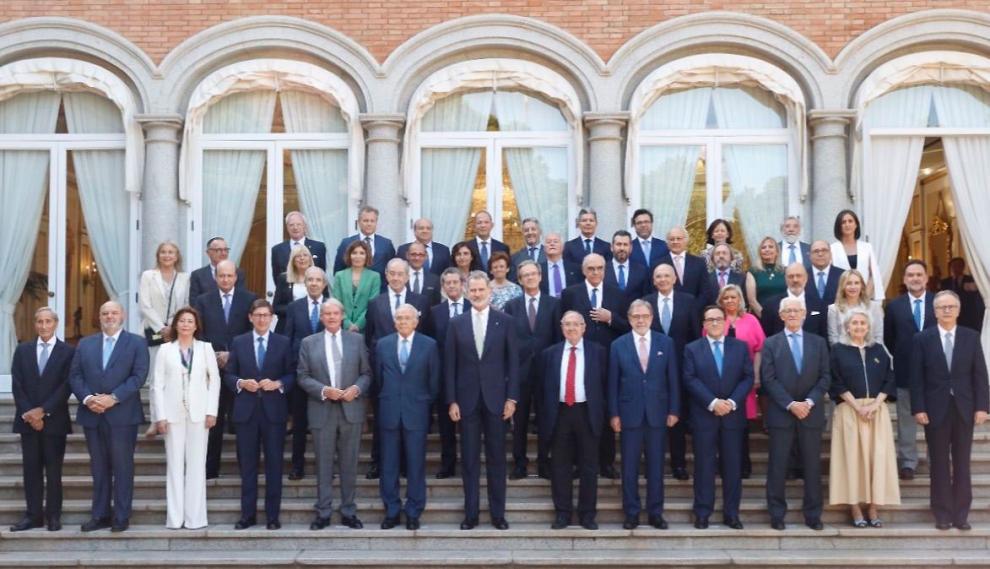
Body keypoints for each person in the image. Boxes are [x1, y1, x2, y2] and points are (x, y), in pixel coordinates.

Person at [445, 271, 519, 530]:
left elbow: (514, 363)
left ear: (490, 292)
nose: (477, 294)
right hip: (466, 402)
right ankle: (471, 514)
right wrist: (452, 400)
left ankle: (498, 514)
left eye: (481, 290)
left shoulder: (506, 321)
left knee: (498, 459)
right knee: (469, 460)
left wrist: (512, 398)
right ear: (467, 292)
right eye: (473, 290)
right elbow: (450, 366)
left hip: (497, 401)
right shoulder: (456, 323)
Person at [911, 290, 989, 531]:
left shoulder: (971, 337)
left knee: (962, 462)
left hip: (965, 409)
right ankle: (942, 513)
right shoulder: (922, 339)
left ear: (958, 310)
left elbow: (980, 375)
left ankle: (961, 514)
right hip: (935, 410)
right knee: (939, 463)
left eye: (951, 307)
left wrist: (982, 407)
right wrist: (919, 407)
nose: (946, 310)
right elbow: (917, 378)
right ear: (934, 312)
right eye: (942, 307)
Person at [69, 301, 149, 533]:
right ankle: (100, 515)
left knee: (123, 467)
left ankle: (121, 516)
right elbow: (75, 376)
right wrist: (88, 399)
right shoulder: (85, 344)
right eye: (105, 313)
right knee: (98, 467)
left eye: (114, 312)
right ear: (99, 317)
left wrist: (113, 398)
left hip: (123, 415)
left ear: (122, 315)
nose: (109, 316)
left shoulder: (136, 342)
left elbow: (139, 376)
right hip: (92, 414)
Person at [297, 299, 372, 530]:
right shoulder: (309, 343)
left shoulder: (356, 340)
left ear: (342, 316)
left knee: (350, 463)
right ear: (321, 317)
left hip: (351, 409)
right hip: (322, 409)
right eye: (326, 314)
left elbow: (367, 373)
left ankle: (349, 511)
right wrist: (323, 390)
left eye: (335, 313)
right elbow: (302, 376)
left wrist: (356, 389)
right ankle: (324, 512)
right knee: (323, 464)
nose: (331, 317)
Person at [608, 299, 679, 530]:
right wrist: (614, 414)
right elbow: (612, 383)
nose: (640, 320)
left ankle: (655, 513)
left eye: (644, 316)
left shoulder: (666, 343)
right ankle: (631, 513)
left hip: (658, 414)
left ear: (651, 318)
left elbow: (673, 380)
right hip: (629, 414)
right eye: (635, 316)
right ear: (629, 319)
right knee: (629, 467)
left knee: (656, 467)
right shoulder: (618, 345)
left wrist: (674, 409)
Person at [224, 299, 295, 530]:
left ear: (272, 317)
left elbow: (293, 375)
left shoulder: (283, 342)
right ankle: (248, 515)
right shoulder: (239, 342)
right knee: (247, 467)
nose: (262, 319)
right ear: (250, 317)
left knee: (274, 466)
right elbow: (228, 375)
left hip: (274, 413)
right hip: (246, 413)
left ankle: (272, 517)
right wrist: (241, 383)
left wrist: (278, 384)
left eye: (266, 315)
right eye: (258, 315)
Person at [761, 297, 831, 531]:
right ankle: (776, 514)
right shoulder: (771, 344)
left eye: (796, 310)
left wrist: (809, 402)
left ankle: (813, 514)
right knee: (778, 466)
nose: (792, 314)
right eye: (787, 311)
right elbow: (768, 380)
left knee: (812, 466)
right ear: (781, 316)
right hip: (782, 414)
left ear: (804, 313)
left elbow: (825, 377)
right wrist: (791, 404)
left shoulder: (818, 343)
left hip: (810, 413)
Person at [683, 305, 754, 530]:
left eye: (718, 319)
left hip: (733, 417)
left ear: (725, 322)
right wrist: (713, 403)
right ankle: (703, 512)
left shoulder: (740, 348)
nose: (714, 323)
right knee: (704, 466)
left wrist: (731, 403)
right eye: (709, 320)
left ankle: (731, 514)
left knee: (732, 467)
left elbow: (747, 378)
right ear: (703, 324)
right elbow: (690, 379)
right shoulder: (692, 349)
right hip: (705, 415)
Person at [561, 253, 631, 478]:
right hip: (578, 360)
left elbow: (628, 327)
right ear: (583, 270)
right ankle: (576, 463)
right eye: (591, 268)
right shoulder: (570, 293)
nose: (595, 272)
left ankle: (606, 462)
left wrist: (610, 318)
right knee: (578, 413)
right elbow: (561, 326)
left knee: (604, 409)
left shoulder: (617, 294)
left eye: (600, 268)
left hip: (607, 360)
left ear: (605, 270)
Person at [828, 309, 900, 528]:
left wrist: (875, 405)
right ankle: (855, 507)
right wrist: (858, 406)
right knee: (852, 460)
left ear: (868, 327)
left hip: (876, 412)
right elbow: (836, 381)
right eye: (855, 323)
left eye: (863, 323)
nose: (859, 327)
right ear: (847, 327)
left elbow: (889, 379)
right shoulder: (838, 351)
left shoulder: (878, 350)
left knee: (875, 459)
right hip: (850, 411)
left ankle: (873, 506)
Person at [151, 306, 221, 530]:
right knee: (174, 466)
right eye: (181, 321)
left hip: (199, 414)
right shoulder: (165, 350)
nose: (185, 325)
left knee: (197, 466)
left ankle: (195, 518)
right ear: (175, 325)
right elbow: (156, 385)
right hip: (172, 415)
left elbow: (215, 381)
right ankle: (175, 518)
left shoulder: (205, 348)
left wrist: (212, 411)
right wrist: (159, 416)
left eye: (190, 321)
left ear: (196, 325)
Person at [374, 304, 441, 530]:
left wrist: (422, 402)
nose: (402, 321)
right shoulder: (382, 345)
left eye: (407, 318)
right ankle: (392, 511)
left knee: (415, 464)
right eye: (399, 318)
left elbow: (434, 382)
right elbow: (378, 378)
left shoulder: (429, 345)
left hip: (417, 411)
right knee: (389, 465)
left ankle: (413, 511)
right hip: (389, 411)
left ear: (416, 321)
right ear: (394, 322)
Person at [364, 258, 431, 479]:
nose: (395, 277)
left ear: (407, 276)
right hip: (383, 373)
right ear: (386, 275)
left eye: (400, 274)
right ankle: (377, 462)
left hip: (412, 374)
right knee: (383, 420)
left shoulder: (420, 301)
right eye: (391, 273)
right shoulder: (375, 303)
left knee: (409, 422)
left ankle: (404, 464)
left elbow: (426, 336)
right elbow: (369, 337)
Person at [10, 307, 73, 532]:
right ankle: (33, 516)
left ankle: (53, 516)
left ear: (55, 323)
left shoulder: (67, 352)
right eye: (39, 321)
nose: (43, 326)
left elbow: (66, 385)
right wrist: (30, 413)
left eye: (48, 321)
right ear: (35, 324)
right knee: (31, 470)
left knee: (54, 471)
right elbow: (17, 384)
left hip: (54, 422)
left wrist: (44, 411)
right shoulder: (23, 350)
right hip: (28, 421)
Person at [540, 311, 605, 530]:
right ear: (561, 328)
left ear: (584, 327)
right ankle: (563, 513)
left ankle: (587, 514)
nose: (571, 328)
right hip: (560, 414)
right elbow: (542, 388)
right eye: (566, 324)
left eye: (575, 324)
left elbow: (605, 386)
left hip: (587, 412)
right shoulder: (550, 354)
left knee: (589, 467)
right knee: (560, 466)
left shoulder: (598, 352)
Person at [193, 259, 256, 480]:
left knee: (241, 421)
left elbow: (252, 332)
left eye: (229, 276)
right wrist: (214, 355)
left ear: (236, 277)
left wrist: (233, 355)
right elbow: (198, 333)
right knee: (214, 421)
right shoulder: (203, 301)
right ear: (215, 277)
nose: (226, 279)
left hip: (240, 370)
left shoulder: (249, 299)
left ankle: (245, 469)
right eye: (222, 276)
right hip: (211, 370)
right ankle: (211, 470)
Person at [504, 260, 561, 479]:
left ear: (540, 276)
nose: (529, 278)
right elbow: (509, 342)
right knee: (519, 421)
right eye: (524, 275)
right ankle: (519, 463)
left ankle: (544, 461)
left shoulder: (553, 304)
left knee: (546, 419)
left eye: (533, 274)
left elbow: (557, 339)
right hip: (520, 372)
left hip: (546, 371)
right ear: (519, 280)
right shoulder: (512, 306)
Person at [643, 263, 699, 481]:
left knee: (678, 418)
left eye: (667, 275)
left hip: (681, 368)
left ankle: (679, 464)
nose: (663, 279)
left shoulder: (689, 301)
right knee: (651, 418)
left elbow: (695, 336)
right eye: (659, 276)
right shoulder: (646, 302)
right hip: (652, 370)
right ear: (654, 280)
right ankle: (650, 464)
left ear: (674, 278)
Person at [883, 260, 935, 481]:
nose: (915, 278)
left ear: (926, 278)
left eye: (919, 274)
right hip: (905, 371)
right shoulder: (895, 305)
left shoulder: (938, 302)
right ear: (904, 279)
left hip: (935, 373)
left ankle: (937, 460)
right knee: (906, 419)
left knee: (936, 419)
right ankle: (908, 462)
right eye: (910, 275)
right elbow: (889, 338)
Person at [282, 266, 331, 480]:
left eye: (317, 280)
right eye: (310, 280)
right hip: (300, 374)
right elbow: (288, 338)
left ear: (324, 284)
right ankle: (297, 466)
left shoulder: (331, 307)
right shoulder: (295, 307)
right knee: (300, 424)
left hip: (326, 374)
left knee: (327, 426)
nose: (313, 283)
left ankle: (328, 469)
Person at [138, 241, 190, 438]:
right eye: (163, 252)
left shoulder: (185, 278)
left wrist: (173, 326)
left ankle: (175, 417)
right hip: (154, 331)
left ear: (177, 256)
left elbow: (186, 304)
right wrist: (162, 327)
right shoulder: (148, 276)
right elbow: (145, 305)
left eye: (171, 252)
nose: (167, 255)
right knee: (156, 377)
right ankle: (155, 420)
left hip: (177, 331)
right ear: (158, 255)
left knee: (177, 376)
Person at [716, 284, 765, 478]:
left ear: (740, 300)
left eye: (733, 297)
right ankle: (723, 465)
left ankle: (744, 465)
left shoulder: (751, 320)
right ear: (721, 301)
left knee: (741, 424)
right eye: (726, 298)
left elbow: (760, 348)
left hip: (744, 381)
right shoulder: (716, 320)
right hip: (719, 380)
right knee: (721, 423)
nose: (729, 301)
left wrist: (756, 373)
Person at [428, 269, 468, 478]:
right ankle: (448, 464)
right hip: (445, 376)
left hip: (471, 375)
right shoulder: (435, 312)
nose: (452, 286)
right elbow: (431, 345)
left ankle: (470, 464)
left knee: (469, 424)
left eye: (455, 282)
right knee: (446, 425)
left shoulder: (474, 307)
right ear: (443, 287)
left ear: (463, 284)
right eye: (448, 283)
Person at [761, 263, 827, 339]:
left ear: (806, 278)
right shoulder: (770, 305)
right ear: (785, 279)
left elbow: (823, 335)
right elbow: (768, 336)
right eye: (791, 276)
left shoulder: (819, 304)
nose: (795, 280)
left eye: (798, 276)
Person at [830, 209, 884, 301]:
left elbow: (873, 274)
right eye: (843, 222)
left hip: (865, 299)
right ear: (839, 226)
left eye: (850, 221)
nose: (847, 224)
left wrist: (864, 296)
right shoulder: (832, 248)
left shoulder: (867, 247)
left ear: (856, 225)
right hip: (841, 300)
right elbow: (831, 276)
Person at [333, 206, 396, 282]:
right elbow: (338, 271)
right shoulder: (346, 243)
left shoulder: (386, 244)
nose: (369, 224)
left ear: (376, 222)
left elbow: (392, 270)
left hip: (380, 291)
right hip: (354, 291)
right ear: (359, 222)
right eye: (365, 221)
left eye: (372, 221)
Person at [332, 239, 380, 333]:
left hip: (365, 329)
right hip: (342, 327)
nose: (358, 256)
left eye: (362, 253)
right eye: (354, 253)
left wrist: (358, 325)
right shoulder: (339, 276)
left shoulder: (374, 277)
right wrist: (347, 323)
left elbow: (372, 305)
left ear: (367, 256)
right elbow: (336, 302)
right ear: (349, 255)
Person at [827, 269, 884, 346]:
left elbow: (878, 336)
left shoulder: (875, 307)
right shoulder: (833, 309)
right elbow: (833, 339)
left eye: (856, 283)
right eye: (848, 283)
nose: (853, 287)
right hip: (844, 354)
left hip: (871, 352)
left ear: (862, 286)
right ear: (842, 286)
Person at [658, 226, 713, 303]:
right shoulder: (658, 264)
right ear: (667, 242)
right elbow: (654, 291)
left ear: (686, 241)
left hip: (695, 311)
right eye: (672, 239)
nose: (675, 241)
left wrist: (695, 309)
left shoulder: (699, 263)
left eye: (679, 238)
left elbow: (705, 291)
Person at [273, 245, 317, 333]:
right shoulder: (284, 279)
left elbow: (324, 301)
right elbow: (276, 307)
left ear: (310, 259)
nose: (302, 258)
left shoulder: (318, 277)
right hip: (287, 326)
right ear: (292, 260)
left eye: (305, 255)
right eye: (298, 256)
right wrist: (296, 310)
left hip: (312, 325)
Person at [270, 210, 327, 277]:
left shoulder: (318, 247)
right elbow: (277, 277)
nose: (295, 228)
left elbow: (322, 273)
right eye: (291, 225)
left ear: (305, 226)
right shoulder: (277, 250)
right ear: (287, 227)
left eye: (298, 224)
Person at [188, 237, 246, 301]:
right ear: (208, 252)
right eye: (219, 250)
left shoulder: (238, 272)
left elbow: (241, 297)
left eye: (226, 250)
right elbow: (194, 302)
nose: (224, 253)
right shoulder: (198, 275)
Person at [746, 236, 786, 320]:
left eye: (771, 247)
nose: (767, 249)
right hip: (761, 318)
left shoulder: (785, 271)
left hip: (783, 317)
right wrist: (765, 318)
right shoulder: (753, 271)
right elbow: (752, 300)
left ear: (777, 252)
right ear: (760, 252)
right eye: (763, 247)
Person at [941, 257, 985, 332]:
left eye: (958, 266)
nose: (956, 268)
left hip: (968, 315)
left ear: (963, 267)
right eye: (954, 266)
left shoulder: (970, 280)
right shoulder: (945, 282)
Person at [605, 230, 649, 304]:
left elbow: (646, 297)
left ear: (631, 248)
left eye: (625, 244)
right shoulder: (602, 269)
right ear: (611, 247)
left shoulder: (642, 270)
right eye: (618, 244)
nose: (622, 248)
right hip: (609, 314)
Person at [540, 232, 580, 298]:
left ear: (563, 246)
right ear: (544, 248)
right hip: (547, 306)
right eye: (548, 242)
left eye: (555, 242)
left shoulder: (575, 269)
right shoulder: (538, 269)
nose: (552, 244)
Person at [806, 240, 843, 308]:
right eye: (816, 251)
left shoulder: (842, 275)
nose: (820, 254)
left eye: (824, 250)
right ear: (809, 255)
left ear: (831, 254)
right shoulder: (802, 275)